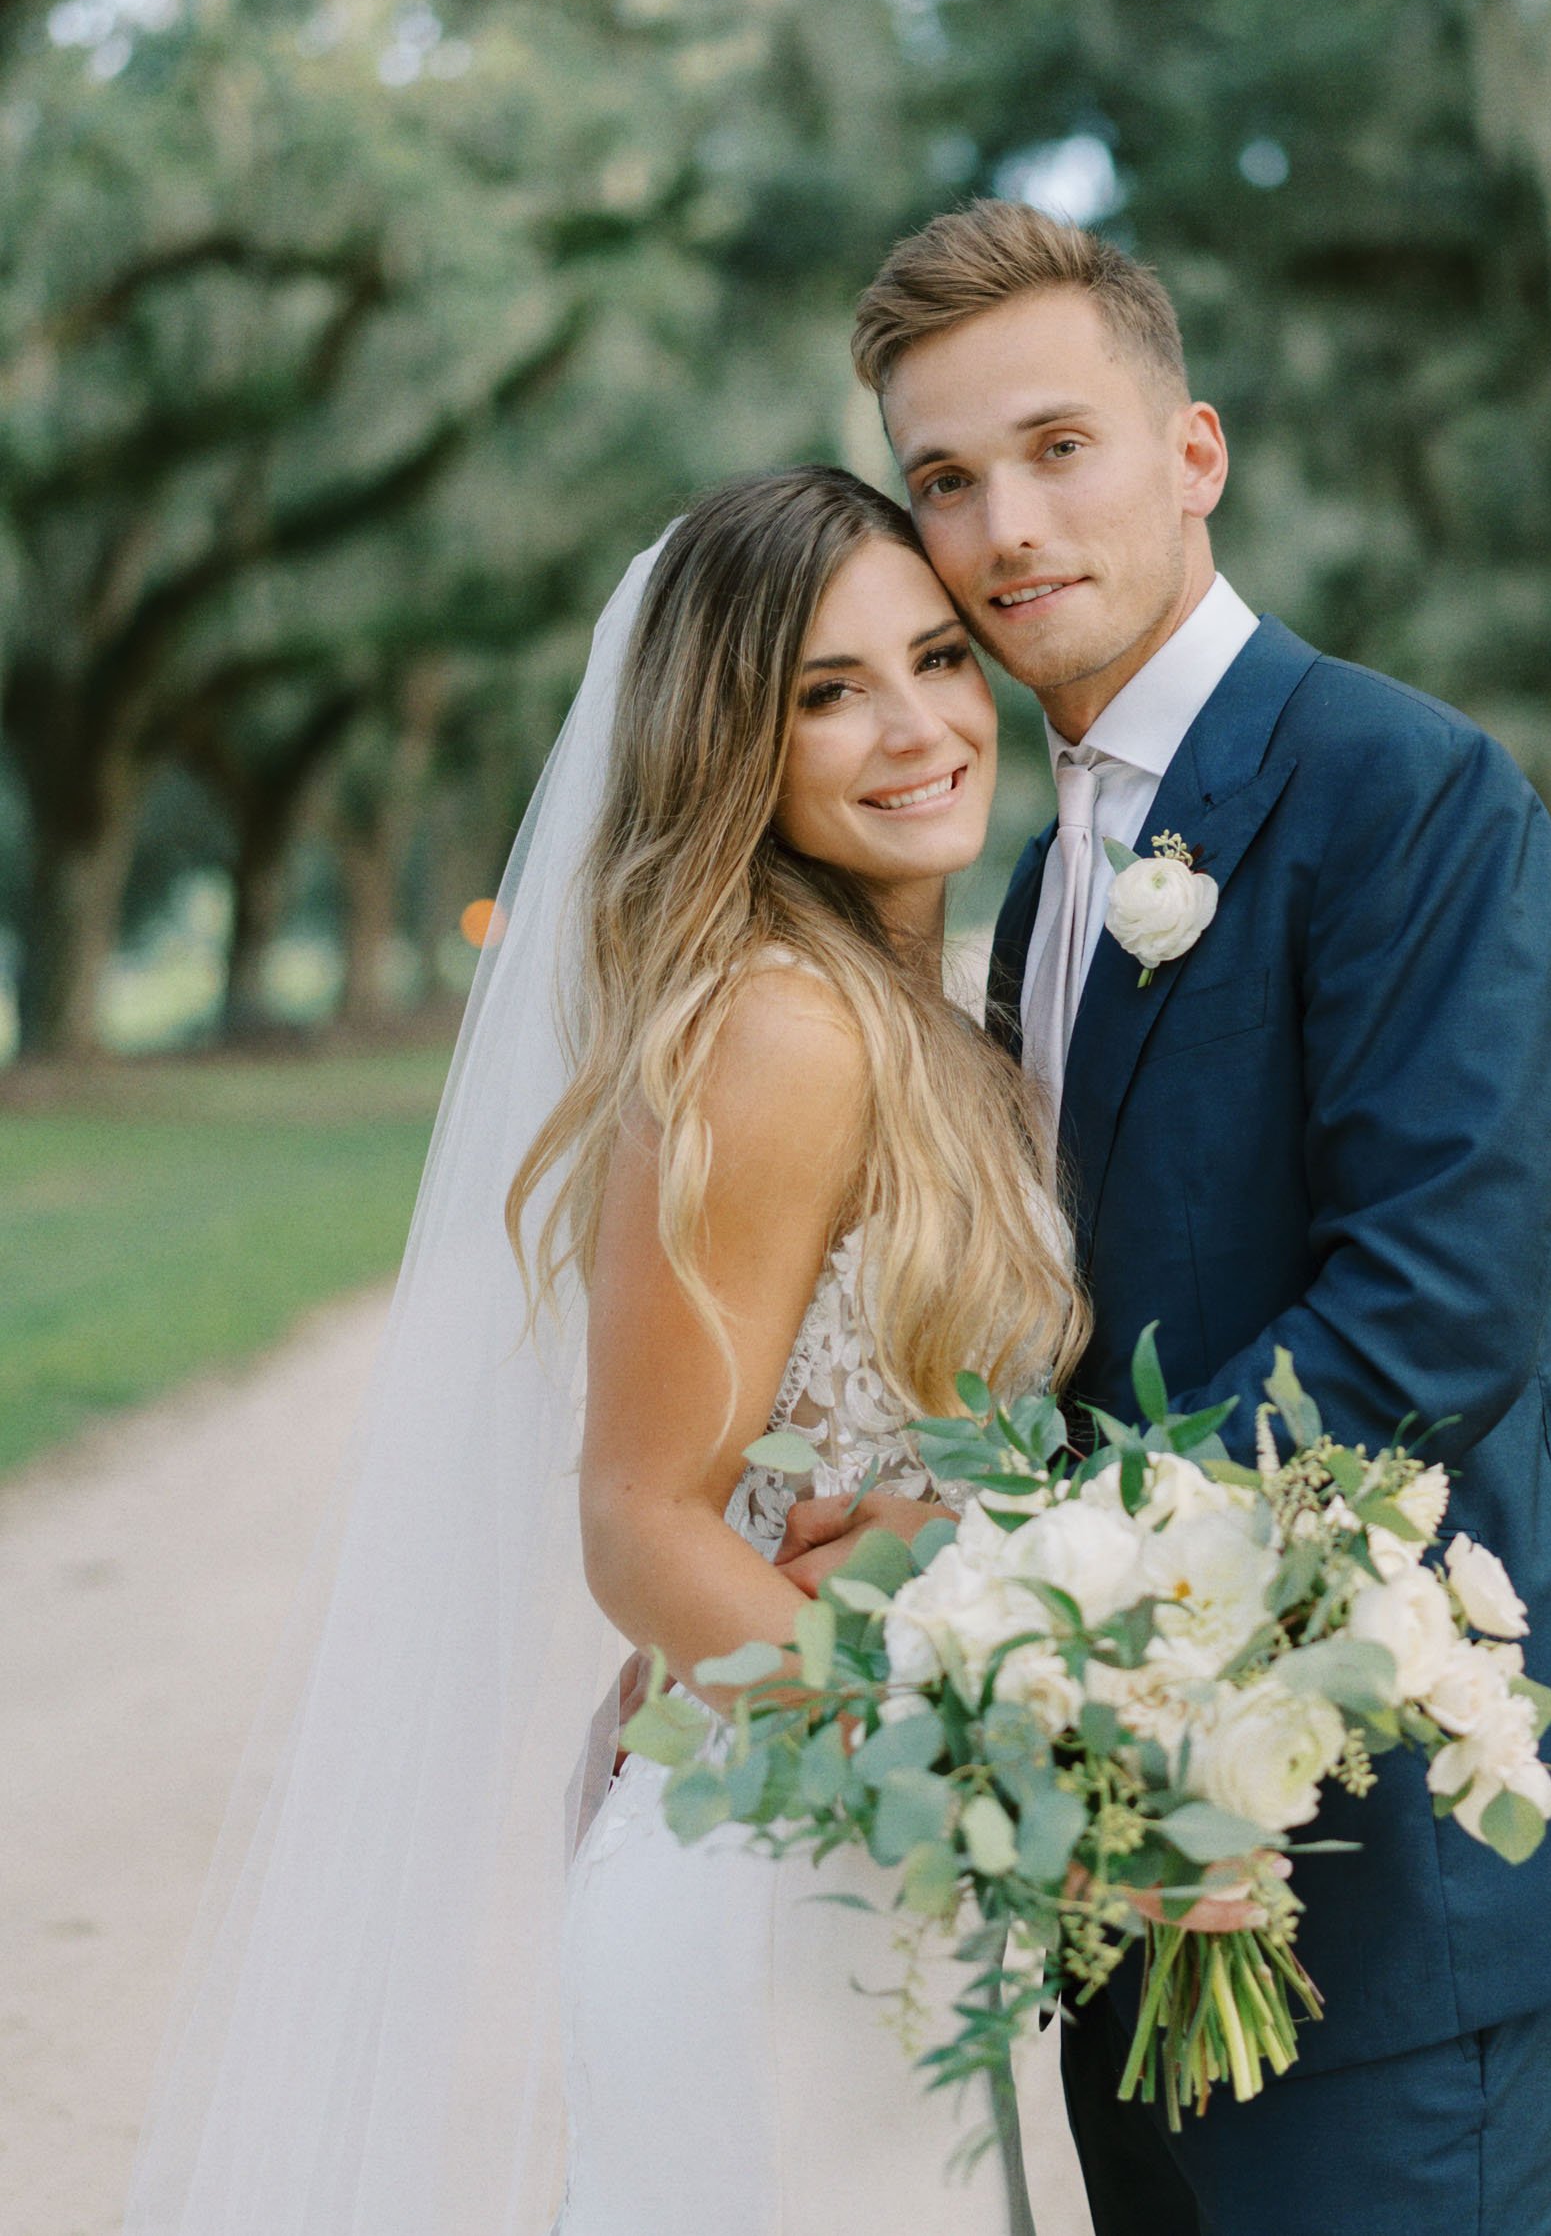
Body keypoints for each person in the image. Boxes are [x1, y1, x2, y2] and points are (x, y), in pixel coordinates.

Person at [778, 200, 1551, 2236]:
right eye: (944, 477)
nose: (1002, 520)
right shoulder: (1046, 866)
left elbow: (1424, 1322)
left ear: (1194, 451)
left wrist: (999, 1556)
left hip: (1384, 1863)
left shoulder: (1407, 794)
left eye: (1055, 445)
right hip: (1136, 1855)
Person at [121, 469, 1091, 2236]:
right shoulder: (781, 1033)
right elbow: (644, 1520)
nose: (917, 726)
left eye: (938, 658)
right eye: (826, 691)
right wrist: (977, 1751)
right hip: (789, 1878)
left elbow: (930, 1450)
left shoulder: (927, 1025)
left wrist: (966, 1568)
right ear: (735, 745)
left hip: (878, 1875)